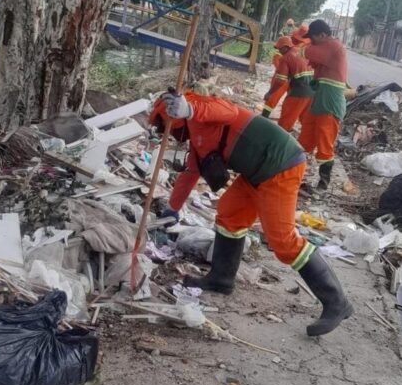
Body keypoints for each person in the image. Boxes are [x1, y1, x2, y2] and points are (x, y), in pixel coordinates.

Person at [150, 89, 353, 336]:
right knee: (229, 213)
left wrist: (189, 109)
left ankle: (336, 302)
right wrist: (172, 209)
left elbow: (228, 111)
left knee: (283, 241)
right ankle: (221, 278)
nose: (170, 134)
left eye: (167, 125)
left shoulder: (202, 107)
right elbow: (190, 173)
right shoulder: (196, 135)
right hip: (256, 173)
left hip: (280, 166)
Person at [298, 19, 348, 191]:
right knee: (304, 141)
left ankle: (323, 185)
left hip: (329, 103)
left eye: (313, 38)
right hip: (319, 100)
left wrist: (301, 44)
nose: (311, 42)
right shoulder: (328, 47)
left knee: (325, 143)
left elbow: (306, 52)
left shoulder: (334, 45)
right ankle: (296, 176)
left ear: (323, 35)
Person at [262, 36, 314, 131]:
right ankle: (303, 143)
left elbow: (280, 80)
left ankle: (280, 141)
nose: (279, 51)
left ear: (286, 47)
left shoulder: (286, 57)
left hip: (299, 91)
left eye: (279, 49)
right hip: (312, 91)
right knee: (305, 119)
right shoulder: (301, 51)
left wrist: (270, 93)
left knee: (285, 121)